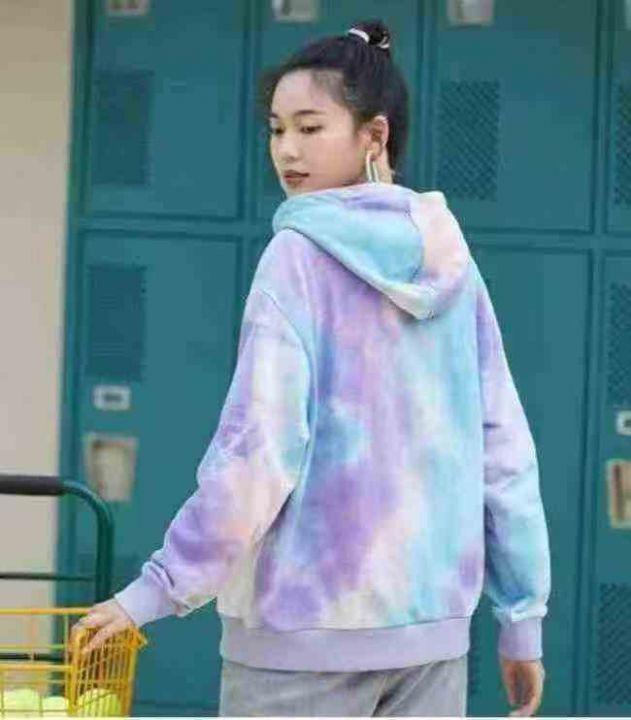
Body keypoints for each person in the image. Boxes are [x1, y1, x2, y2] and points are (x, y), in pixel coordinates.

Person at [72, 18, 551, 717]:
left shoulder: (296, 257)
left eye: (309, 127)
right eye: (276, 130)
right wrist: (520, 621)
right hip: (429, 641)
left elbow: (258, 453)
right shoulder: (453, 263)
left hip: (299, 647)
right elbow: (502, 449)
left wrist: (154, 589)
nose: (286, 150)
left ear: (374, 135)